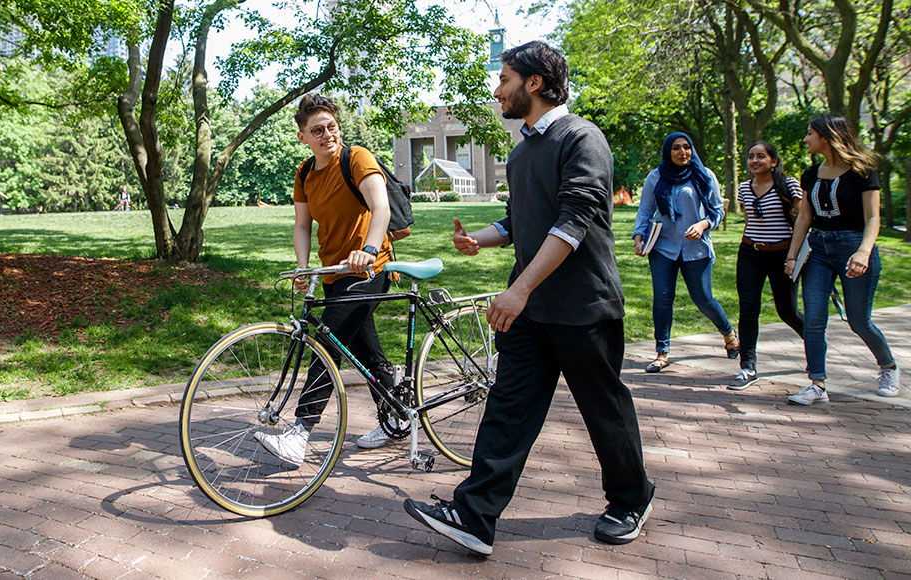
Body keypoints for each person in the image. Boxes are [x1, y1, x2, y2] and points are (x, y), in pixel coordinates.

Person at [403, 41, 654, 556]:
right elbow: (521, 222)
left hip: (583, 308)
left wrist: (517, 290)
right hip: (533, 310)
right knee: (507, 409)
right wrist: (482, 238)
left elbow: (574, 222)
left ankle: (631, 498)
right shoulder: (522, 150)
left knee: (603, 411)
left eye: (504, 79)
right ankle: (475, 516)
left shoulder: (582, 138)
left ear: (534, 82)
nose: (498, 90)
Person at [253, 93, 402, 465]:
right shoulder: (305, 174)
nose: (327, 135)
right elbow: (302, 225)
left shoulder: (357, 159)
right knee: (366, 353)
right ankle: (397, 413)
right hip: (334, 271)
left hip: (369, 269)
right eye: (317, 130)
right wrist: (304, 267)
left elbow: (380, 207)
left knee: (327, 343)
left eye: (332, 127)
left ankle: (300, 432)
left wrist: (368, 249)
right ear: (303, 136)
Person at [784, 114, 900, 404]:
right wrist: (792, 255)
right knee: (813, 318)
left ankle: (888, 367)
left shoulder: (863, 171)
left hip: (854, 246)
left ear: (827, 136)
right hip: (818, 249)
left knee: (859, 320)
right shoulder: (811, 174)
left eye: (810, 133)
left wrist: (863, 251)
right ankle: (817, 384)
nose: (806, 139)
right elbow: (805, 218)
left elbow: (873, 218)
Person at [632, 133, 739, 373]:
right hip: (662, 247)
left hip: (696, 249)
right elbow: (645, 209)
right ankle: (662, 352)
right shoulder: (656, 177)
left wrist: (702, 225)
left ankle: (728, 332)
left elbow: (717, 211)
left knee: (703, 298)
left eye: (687, 147)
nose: (683, 153)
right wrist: (638, 237)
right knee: (662, 298)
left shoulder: (704, 175)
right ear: (668, 151)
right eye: (677, 148)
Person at [729, 142, 806, 390]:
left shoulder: (789, 184)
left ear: (773, 161)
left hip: (782, 255)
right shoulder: (744, 188)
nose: (754, 161)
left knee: (787, 311)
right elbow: (750, 221)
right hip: (750, 253)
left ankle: (814, 345)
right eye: (751, 156)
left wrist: (794, 257)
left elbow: (801, 222)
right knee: (748, 308)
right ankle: (747, 367)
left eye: (761, 156)